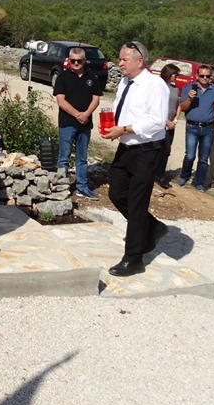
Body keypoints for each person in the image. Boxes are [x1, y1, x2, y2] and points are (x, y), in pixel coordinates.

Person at [101, 41, 169, 278]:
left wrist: (126, 129)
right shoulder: (125, 82)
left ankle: (134, 258)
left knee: (137, 202)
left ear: (139, 61)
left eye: (124, 60)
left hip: (146, 150)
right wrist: (115, 129)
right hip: (126, 146)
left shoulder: (155, 85)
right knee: (116, 193)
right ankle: (153, 227)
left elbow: (157, 121)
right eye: (119, 59)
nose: (119, 63)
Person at [53, 47, 102, 200]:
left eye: (78, 61)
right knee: (64, 157)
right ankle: (62, 187)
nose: (75, 63)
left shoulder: (92, 77)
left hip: (85, 124)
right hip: (67, 123)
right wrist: (77, 114)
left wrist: (86, 114)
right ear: (69, 60)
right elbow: (60, 100)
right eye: (72, 60)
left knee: (82, 158)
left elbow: (96, 98)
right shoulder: (62, 77)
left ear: (84, 61)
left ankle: (82, 186)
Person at [176, 64, 214, 191]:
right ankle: (184, 176)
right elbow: (183, 107)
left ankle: (199, 182)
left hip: (208, 128)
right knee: (190, 155)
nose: (205, 78)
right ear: (197, 76)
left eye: (208, 76)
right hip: (192, 126)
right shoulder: (188, 88)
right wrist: (190, 99)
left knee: (203, 158)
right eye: (202, 76)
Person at [155, 63, 181, 188]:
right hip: (159, 123)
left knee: (166, 150)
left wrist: (175, 120)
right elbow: (155, 106)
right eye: (174, 74)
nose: (176, 76)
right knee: (157, 149)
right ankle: (154, 173)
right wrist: (165, 121)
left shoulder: (175, 89)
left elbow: (178, 105)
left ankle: (160, 174)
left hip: (170, 124)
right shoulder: (158, 86)